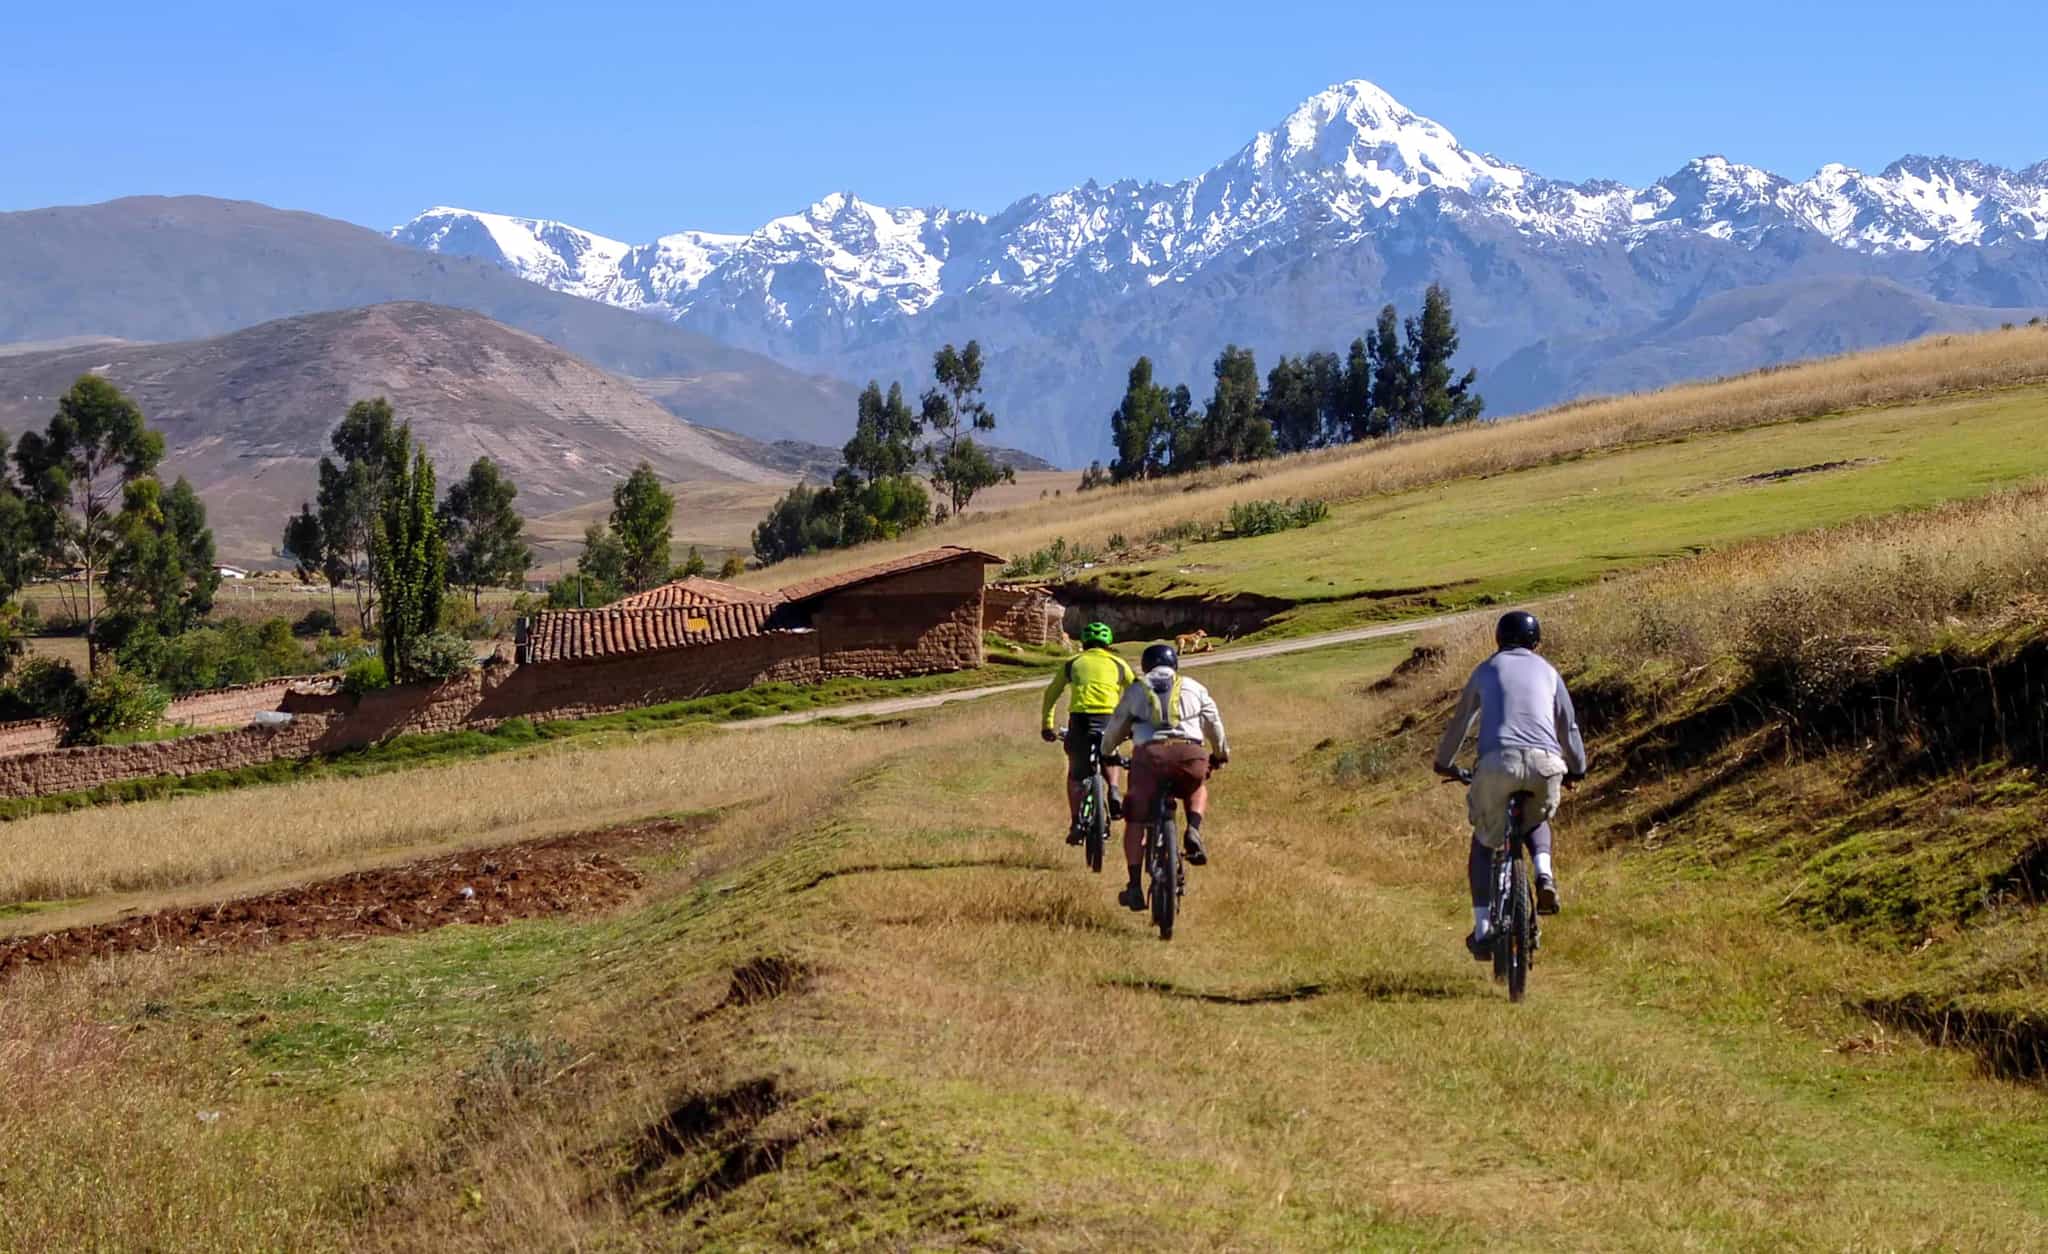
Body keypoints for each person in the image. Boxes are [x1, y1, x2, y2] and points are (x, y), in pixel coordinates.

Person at [1433, 609, 1588, 959]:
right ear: (1537, 641)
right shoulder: (1549, 672)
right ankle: (1544, 874)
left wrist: (1445, 764)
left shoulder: (1486, 670)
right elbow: (1569, 726)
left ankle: (1484, 926)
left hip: (1496, 762)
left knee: (1484, 842)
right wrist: (1578, 768)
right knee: (1537, 819)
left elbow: (1460, 722)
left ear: (1499, 639)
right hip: (1545, 764)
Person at [1102, 642, 1229, 911]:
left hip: (1149, 759)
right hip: (1189, 755)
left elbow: (1116, 725)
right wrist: (1220, 754)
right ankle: (1193, 829)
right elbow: (1213, 723)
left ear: (1146, 665)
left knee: (1135, 818)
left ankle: (1134, 885)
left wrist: (1107, 752)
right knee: (1197, 784)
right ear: (1175, 665)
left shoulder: (1137, 689)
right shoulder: (1194, 686)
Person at [1041, 621, 1137, 842]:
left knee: (1075, 774)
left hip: (1081, 720)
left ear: (1084, 643)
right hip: (1109, 718)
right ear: (1108, 643)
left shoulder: (1072, 662)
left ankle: (1076, 821)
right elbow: (1136, 693)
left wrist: (1047, 725)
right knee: (1110, 755)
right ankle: (1113, 789)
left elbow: (1051, 694)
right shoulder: (1119, 663)